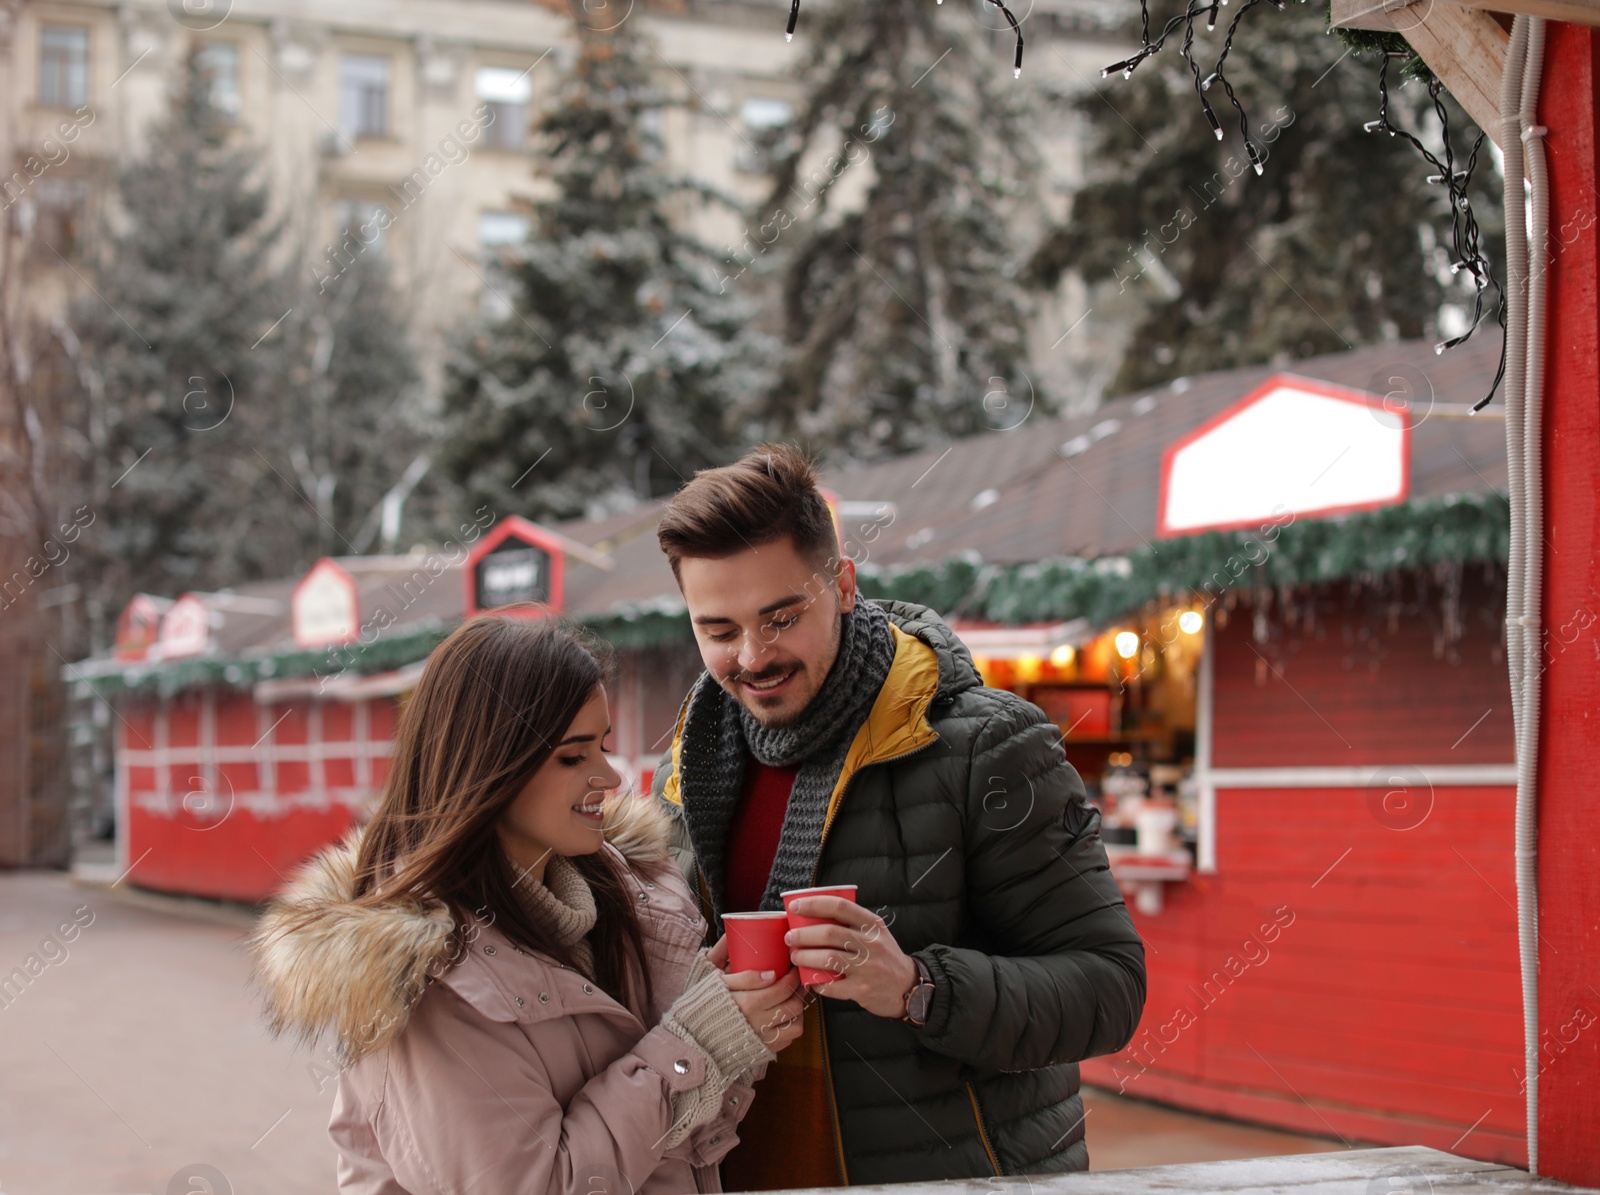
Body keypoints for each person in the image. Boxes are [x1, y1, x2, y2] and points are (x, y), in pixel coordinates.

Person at [650, 445, 1148, 1186]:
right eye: (719, 630)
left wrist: (919, 987)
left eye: (781, 617)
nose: (753, 656)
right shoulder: (686, 771)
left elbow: (1109, 991)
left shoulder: (989, 746)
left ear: (844, 586)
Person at [251, 611, 805, 1195]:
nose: (610, 778)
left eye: (603, 745)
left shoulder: (627, 900)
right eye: (573, 756)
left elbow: (672, 1149)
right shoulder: (425, 983)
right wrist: (694, 1047)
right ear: (490, 768)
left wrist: (729, 1019)